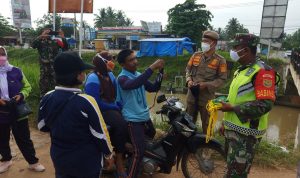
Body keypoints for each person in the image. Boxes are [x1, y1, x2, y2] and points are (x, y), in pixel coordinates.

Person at [37, 51, 113, 178]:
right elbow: (100, 134)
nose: (84, 74)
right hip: (86, 161)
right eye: (83, 71)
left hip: (60, 157)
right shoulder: (87, 101)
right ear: (78, 75)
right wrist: (108, 154)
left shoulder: (47, 97)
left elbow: (41, 126)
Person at [219, 33, 279, 178]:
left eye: (235, 47)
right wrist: (225, 123)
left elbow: (265, 104)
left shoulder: (263, 71)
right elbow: (235, 98)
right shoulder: (242, 70)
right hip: (233, 131)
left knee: (237, 174)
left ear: (245, 50)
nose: (232, 51)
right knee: (231, 169)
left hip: (246, 135)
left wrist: (232, 108)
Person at [116, 49, 164, 178]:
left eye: (135, 58)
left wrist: (160, 71)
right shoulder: (122, 78)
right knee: (139, 151)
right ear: (122, 64)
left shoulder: (138, 75)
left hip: (144, 117)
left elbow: (153, 88)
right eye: (131, 60)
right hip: (132, 119)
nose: (135, 62)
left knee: (151, 141)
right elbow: (133, 84)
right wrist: (152, 68)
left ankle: (140, 166)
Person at [0, 46, 45, 173]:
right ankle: (6, 161)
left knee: (24, 138)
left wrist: (21, 95)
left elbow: (27, 86)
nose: (1, 57)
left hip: (18, 110)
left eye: (2, 54)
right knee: (2, 138)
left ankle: (33, 162)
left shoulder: (16, 71)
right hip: (1, 112)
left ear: (6, 55)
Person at [84, 51, 128, 178]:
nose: (112, 62)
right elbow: (95, 103)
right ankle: (119, 163)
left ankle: (126, 149)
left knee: (132, 118)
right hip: (100, 110)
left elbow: (117, 93)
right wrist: (114, 106)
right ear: (102, 62)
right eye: (109, 59)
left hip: (111, 107)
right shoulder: (92, 78)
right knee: (121, 124)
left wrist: (121, 104)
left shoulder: (110, 75)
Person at [185, 30, 227, 133]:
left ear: (214, 43)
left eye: (207, 41)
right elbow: (187, 70)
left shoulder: (220, 60)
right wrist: (189, 80)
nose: (204, 43)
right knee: (188, 122)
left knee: (207, 125)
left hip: (207, 98)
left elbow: (222, 79)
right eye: (203, 41)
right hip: (191, 95)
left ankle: (206, 146)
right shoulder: (195, 55)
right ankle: (188, 145)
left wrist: (207, 85)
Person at [32, 28, 69, 98]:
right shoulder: (40, 41)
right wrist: (41, 36)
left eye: (50, 33)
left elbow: (66, 48)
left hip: (54, 67)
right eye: (46, 33)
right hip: (44, 67)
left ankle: (56, 99)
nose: (48, 34)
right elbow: (33, 45)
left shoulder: (56, 41)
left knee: (56, 84)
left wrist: (63, 37)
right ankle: (43, 99)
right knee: (43, 84)